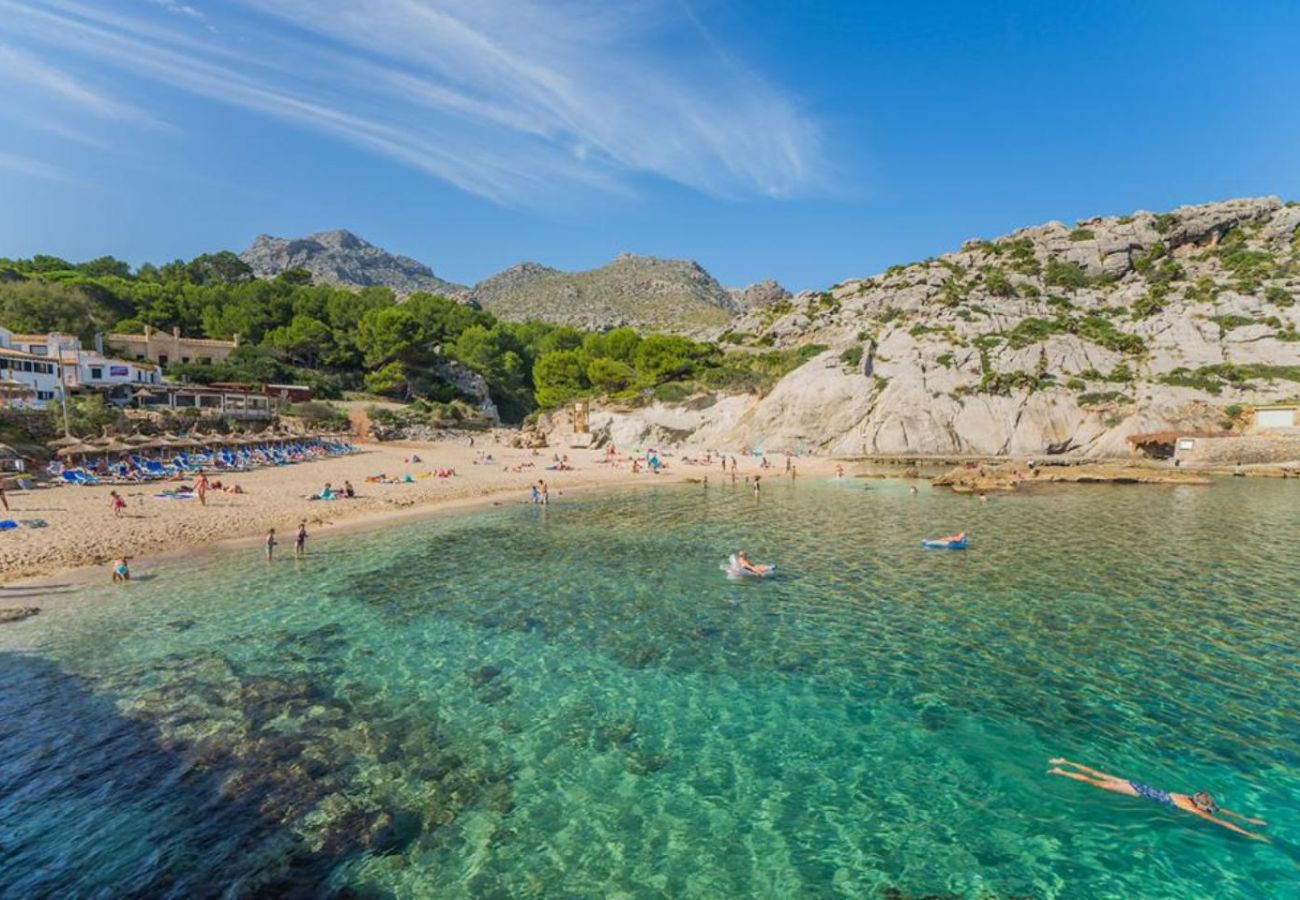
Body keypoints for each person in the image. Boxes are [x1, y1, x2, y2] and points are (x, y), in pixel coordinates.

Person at [1047, 758, 1269, 842]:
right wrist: (1247, 832)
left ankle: (1064, 762)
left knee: (1100, 776)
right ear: (1203, 806)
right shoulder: (1196, 810)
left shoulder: (1187, 798)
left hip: (1141, 786)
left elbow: (1223, 812)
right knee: (1097, 783)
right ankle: (1061, 771)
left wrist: (1247, 819)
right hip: (1138, 792)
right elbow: (1221, 820)